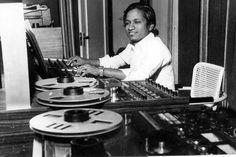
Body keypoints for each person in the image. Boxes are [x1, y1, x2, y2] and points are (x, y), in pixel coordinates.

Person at [67, 2, 175, 90]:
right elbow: (114, 62)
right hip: (140, 92)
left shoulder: (157, 48)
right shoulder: (136, 44)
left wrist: (99, 71)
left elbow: (137, 76)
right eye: (127, 23)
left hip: (161, 103)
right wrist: (85, 61)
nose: (130, 27)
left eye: (137, 22)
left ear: (150, 26)